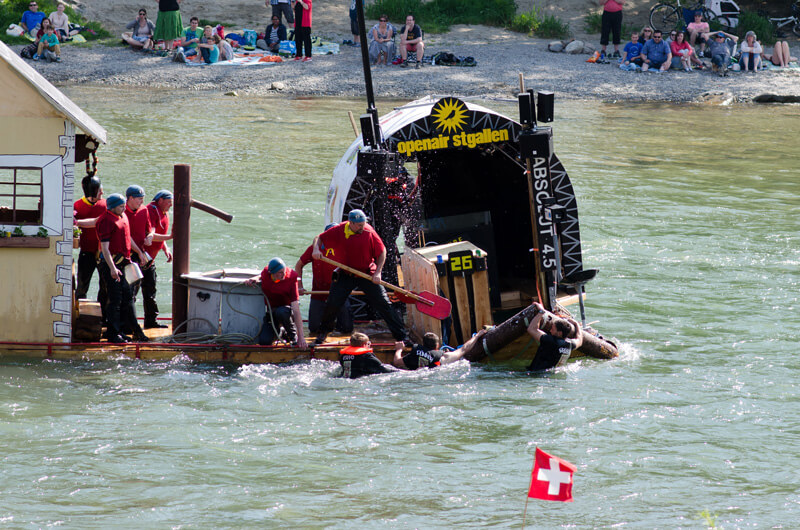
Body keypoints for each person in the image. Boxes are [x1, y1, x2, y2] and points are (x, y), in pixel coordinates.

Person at [311, 209, 407, 345]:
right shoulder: (339, 229)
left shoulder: (368, 232)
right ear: (351, 223)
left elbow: (382, 252)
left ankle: (401, 336)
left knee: (384, 304)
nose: (362, 227)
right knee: (332, 303)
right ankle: (323, 333)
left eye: (363, 223)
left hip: (366, 273)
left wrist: (378, 272)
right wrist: (316, 249)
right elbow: (319, 237)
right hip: (345, 273)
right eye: (359, 225)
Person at [96, 193, 148, 343]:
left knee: (127, 297)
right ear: (112, 207)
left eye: (124, 205)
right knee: (115, 299)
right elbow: (105, 249)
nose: (124, 208)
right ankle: (113, 333)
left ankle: (131, 330)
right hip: (111, 265)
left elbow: (127, 237)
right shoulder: (105, 220)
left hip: (124, 263)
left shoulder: (122, 216)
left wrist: (139, 251)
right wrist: (112, 269)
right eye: (120, 206)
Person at [295, 224, 354, 336]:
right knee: (314, 328)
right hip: (319, 294)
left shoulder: (346, 248)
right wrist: (299, 286)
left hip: (339, 293)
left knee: (347, 328)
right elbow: (299, 266)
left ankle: (334, 321)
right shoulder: (313, 249)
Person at [245, 258, 307, 348]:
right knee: (264, 341)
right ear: (272, 273)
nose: (283, 274)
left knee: (282, 312)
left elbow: (296, 309)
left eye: (284, 271)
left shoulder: (291, 277)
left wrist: (301, 337)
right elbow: (262, 275)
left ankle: (293, 336)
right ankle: (281, 332)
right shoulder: (266, 273)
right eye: (280, 273)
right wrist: (256, 278)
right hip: (271, 312)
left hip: (286, 312)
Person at [141, 190, 173, 329]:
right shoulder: (152, 210)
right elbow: (151, 234)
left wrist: (166, 249)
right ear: (160, 200)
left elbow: (161, 234)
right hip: (141, 258)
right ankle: (126, 324)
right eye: (168, 202)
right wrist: (171, 237)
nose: (171, 205)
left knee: (150, 291)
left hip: (151, 260)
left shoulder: (164, 213)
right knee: (133, 293)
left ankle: (151, 321)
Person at [73, 176, 107, 304]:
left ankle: (103, 315)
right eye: (99, 190)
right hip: (86, 251)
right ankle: (78, 313)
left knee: (105, 286)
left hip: (103, 252)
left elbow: (96, 222)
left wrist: (77, 222)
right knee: (82, 284)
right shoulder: (77, 206)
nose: (102, 193)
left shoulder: (106, 205)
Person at [526, 302, 583, 372]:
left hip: (534, 373)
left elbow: (531, 329)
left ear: (559, 333)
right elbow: (580, 340)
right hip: (550, 373)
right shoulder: (570, 344)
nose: (550, 331)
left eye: (552, 329)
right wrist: (577, 324)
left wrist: (541, 312)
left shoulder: (551, 341)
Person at [123, 186, 155, 311]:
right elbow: (126, 237)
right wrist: (139, 253)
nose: (142, 202)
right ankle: (128, 323)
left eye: (143, 199)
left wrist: (150, 236)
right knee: (130, 291)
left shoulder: (144, 210)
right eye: (139, 199)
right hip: (129, 254)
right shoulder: (122, 211)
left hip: (141, 253)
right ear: (130, 198)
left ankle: (151, 320)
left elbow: (150, 228)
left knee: (150, 286)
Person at [392, 328, 487, 370]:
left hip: (413, 375)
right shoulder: (441, 357)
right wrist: (478, 335)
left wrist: (399, 349)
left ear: (423, 344)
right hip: (433, 375)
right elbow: (464, 349)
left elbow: (396, 362)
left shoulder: (415, 353)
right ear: (437, 346)